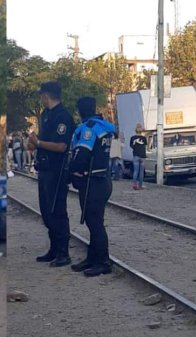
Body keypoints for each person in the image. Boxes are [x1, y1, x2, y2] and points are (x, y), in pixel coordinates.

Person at [27, 81, 75, 267]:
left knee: (57, 211)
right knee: (46, 211)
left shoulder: (62, 116)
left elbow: (61, 146)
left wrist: (38, 143)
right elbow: (41, 141)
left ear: (46, 95)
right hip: (44, 168)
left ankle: (63, 252)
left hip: (56, 170)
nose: (41, 98)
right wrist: (33, 143)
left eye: (42, 95)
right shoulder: (46, 115)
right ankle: (54, 249)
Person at [68, 97, 116, 277]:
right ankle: (92, 258)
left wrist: (69, 173)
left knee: (95, 224)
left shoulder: (89, 129)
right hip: (102, 179)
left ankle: (103, 262)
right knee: (93, 222)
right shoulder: (104, 127)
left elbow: (82, 156)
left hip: (92, 183)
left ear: (80, 111)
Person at [130, 123, 147, 190]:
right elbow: (145, 146)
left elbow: (131, 146)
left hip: (136, 156)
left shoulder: (132, 138)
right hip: (142, 156)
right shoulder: (144, 138)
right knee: (141, 172)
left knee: (135, 171)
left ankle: (134, 184)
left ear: (135, 130)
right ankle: (140, 185)